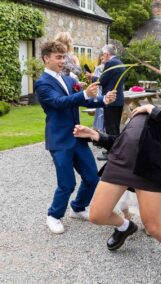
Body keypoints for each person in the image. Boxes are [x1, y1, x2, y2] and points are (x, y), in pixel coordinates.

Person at [73, 91, 161, 279]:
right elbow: (119, 142)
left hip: (150, 170)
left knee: (152, 225)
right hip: (119, 164)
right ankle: (124, 227)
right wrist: (95, 135)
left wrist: (149, 107)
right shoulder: (142, 113)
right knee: (97, 215)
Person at [35, 41, 116, 234]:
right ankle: (53, 215)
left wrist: (103, 100)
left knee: (92, 178)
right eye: (58, 57)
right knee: (67, 183)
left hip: (78, 136)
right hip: (60, 140)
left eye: (64, 57)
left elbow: (82, 100)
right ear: (46, 58)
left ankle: (78, 208)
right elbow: (59, 102)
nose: (63, 61)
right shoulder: (42, 83)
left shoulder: (70, 80)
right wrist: (84, 94)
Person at [86, 44, 125, 160]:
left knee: (111, 127)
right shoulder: (120, 62)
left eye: (103, 54)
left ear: (107, 54)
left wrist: (91, 77)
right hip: (118, 99)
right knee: (115, 127)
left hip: (111, 100)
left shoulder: (111, 64)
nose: (102, 56)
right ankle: (114, 150)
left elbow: (102, 81)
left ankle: (112, 153)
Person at [93, 54, 105, 132]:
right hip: (99, 90)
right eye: (102, 57)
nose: (102, 58)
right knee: (99, 110)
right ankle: (98, 129)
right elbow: (95, 80)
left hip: (105, 90)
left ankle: (103, 129)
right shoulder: (98, 68)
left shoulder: (109, 67)